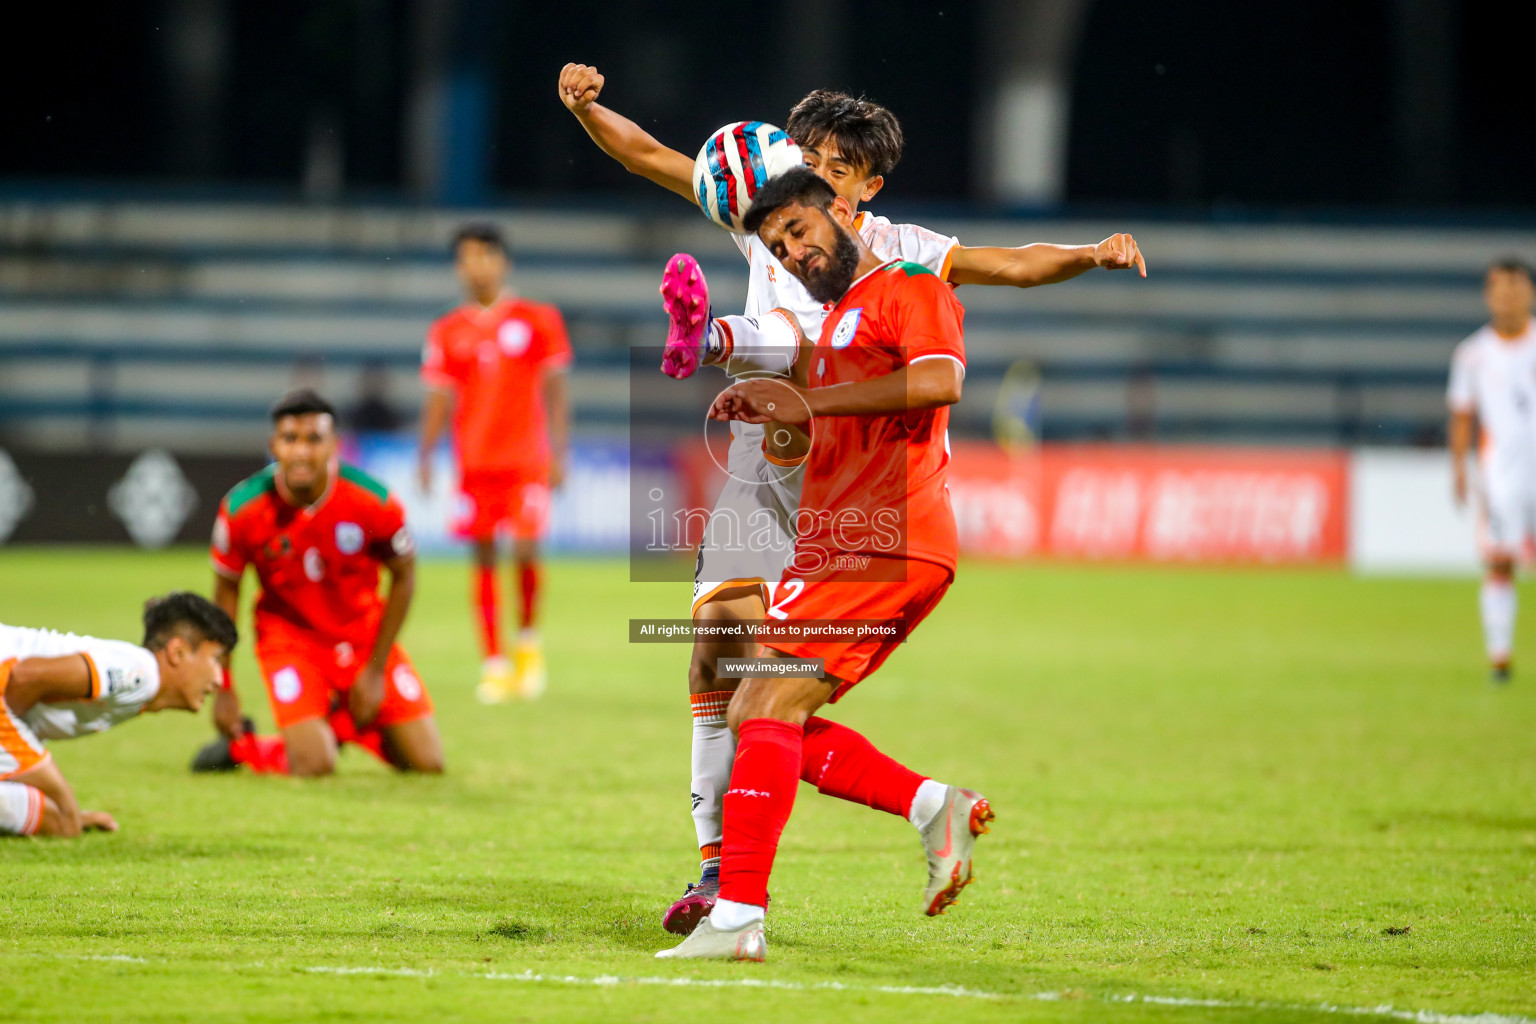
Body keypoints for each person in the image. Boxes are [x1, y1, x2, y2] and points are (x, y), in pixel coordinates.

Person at [558, 62, 1145, 933]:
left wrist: (1089, 253)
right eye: (810, 155)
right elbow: (650, 155)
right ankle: (719, 870)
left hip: (853, 486)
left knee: (772, 694)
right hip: (770, 464)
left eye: (840, 166)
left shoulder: (901, 255)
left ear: (869, 185)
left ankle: (761, 888)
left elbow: (1012, 264)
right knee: (724, 664)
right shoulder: (766, 220)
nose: (818, 176)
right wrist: (585, 107)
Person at [656, 168, 993, 961]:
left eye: (800, 232)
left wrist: (814, 401)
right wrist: (767, 400)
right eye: (778, 246)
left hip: (890, 533)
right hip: (842, 540)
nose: (795, 252)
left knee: (761, 709)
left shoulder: (909, 285)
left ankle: (737, 914)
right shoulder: (838, 321)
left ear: (841, 211)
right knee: (756, 709)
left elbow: (941, 378)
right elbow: (811, 419)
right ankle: (927, 805)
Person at [192, 388, 443, 777]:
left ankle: (340, 726)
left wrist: (375, 671)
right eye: (290, 439)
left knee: (428, 764)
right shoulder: (242, 508)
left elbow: (405, 575)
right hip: (289, 640)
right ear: (274, 445)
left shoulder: (372, 501)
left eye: (314, 439)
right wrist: (223, 685)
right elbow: (226, 593)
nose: (302, 452)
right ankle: (248, 750)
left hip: (361, 637)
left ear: (335, 446)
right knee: (315, 764)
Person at [419, 224, 573, 702]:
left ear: (503, 261)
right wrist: (426, 455)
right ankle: (493, 661)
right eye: (466, 257)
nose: (476, 265)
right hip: (475, 463)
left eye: (485, 255)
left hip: (526, 460)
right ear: (457, 267)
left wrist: (559, 452)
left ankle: (527, 644)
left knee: (525, 550)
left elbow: (556, 391)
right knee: (482, 557)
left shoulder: (538, 318)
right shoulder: (447, 330)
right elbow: (439, 399)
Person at [1, 592, 236, 838]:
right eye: (216, 660)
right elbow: (26, 676)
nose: (219, 680)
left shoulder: (139, 683)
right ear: (177, 652)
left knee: (58, 816)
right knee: (64, 819)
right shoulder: (141, 674)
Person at [1449, 257, 1536, 684]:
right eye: (1498, 287)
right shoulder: (1472, 354)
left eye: (1515, 286)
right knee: (1500, 562)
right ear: (1488, 294)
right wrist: (1458, 469)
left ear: (1530, 293)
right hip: (1502, 474)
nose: (1506, 295)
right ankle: (1499, 656)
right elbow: (1462, 415)